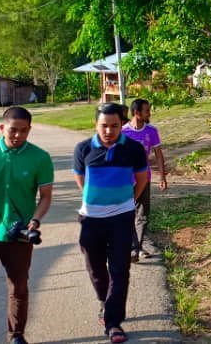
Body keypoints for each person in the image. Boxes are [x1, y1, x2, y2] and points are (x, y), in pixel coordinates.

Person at [0, 106, 54, 344]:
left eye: (24, 131)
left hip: (20, 234)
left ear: (29, 130)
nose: (18, 136)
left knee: (19, 287)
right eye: (13, 131)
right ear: (2, 127)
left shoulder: (40, 157)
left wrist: (35, 221)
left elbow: (45, 196)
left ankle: (16, 335)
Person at [74, 103, 149, 343]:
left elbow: (142, 179)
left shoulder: (134, 149)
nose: (109, 131)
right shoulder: (83, 148)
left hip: (121, 218)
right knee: (95, 267)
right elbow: (81, 180)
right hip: (91, 219)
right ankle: (104, 302)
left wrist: (126, 202)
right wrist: (97, 203)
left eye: (114, 126)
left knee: (120, 270)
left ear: (122, 125)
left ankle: (113, 322)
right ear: (96, 125)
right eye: (104, 126)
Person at [121, 99, 167, 261]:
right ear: (137, 113)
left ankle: (136, 247)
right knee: (126, 213)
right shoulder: (123, 132)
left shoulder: (152, 131)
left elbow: (159, 155)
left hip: (144, 179)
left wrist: (162, 177)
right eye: (147, 111)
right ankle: (133, 246)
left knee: (142, 214)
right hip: (125, 181)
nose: (149, 113)